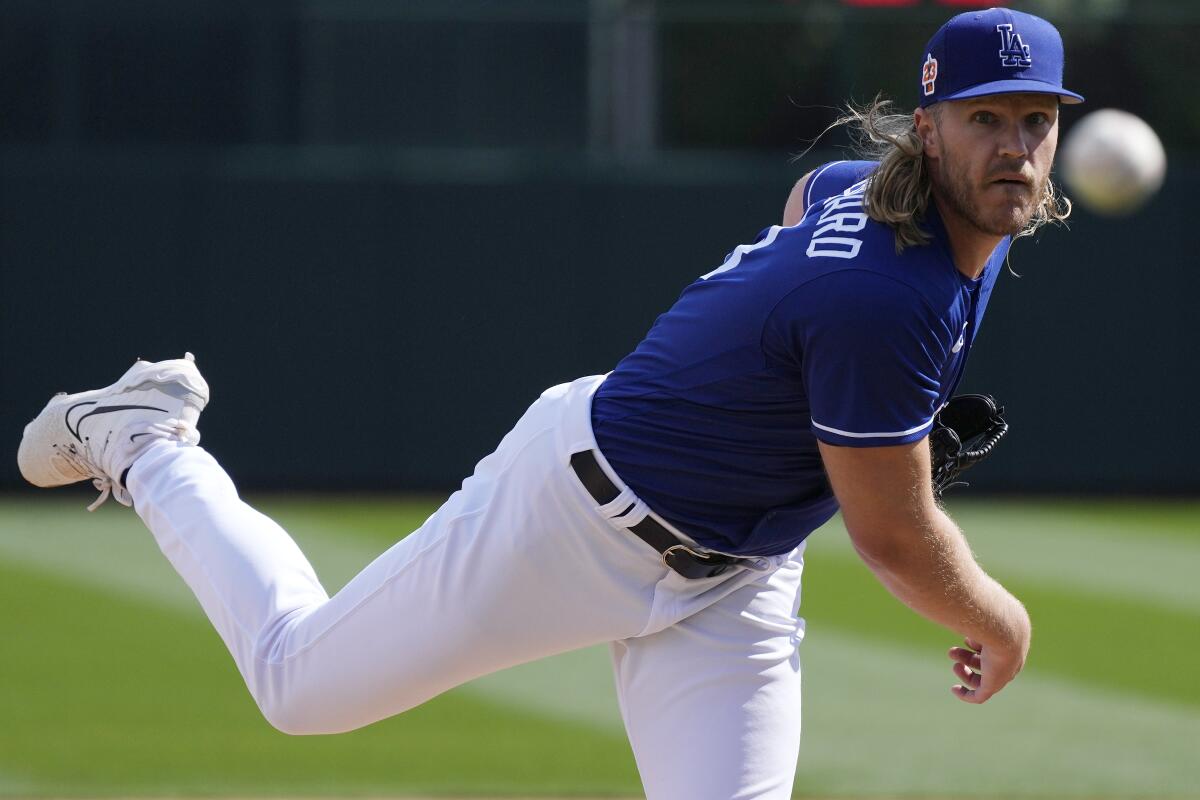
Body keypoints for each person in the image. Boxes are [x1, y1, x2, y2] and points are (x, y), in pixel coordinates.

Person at [17, 8, 1081, 800]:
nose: (1015, 146)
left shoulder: (902, 205)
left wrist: (790, 392)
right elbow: (894, 538)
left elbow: (814, 198)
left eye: (1036, 121)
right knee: (300, 687)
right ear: (930, 130)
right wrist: (1003, 616)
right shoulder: (886, 296)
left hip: (735, 577)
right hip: (576, 515)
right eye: (984, 119)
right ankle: (149, 436)